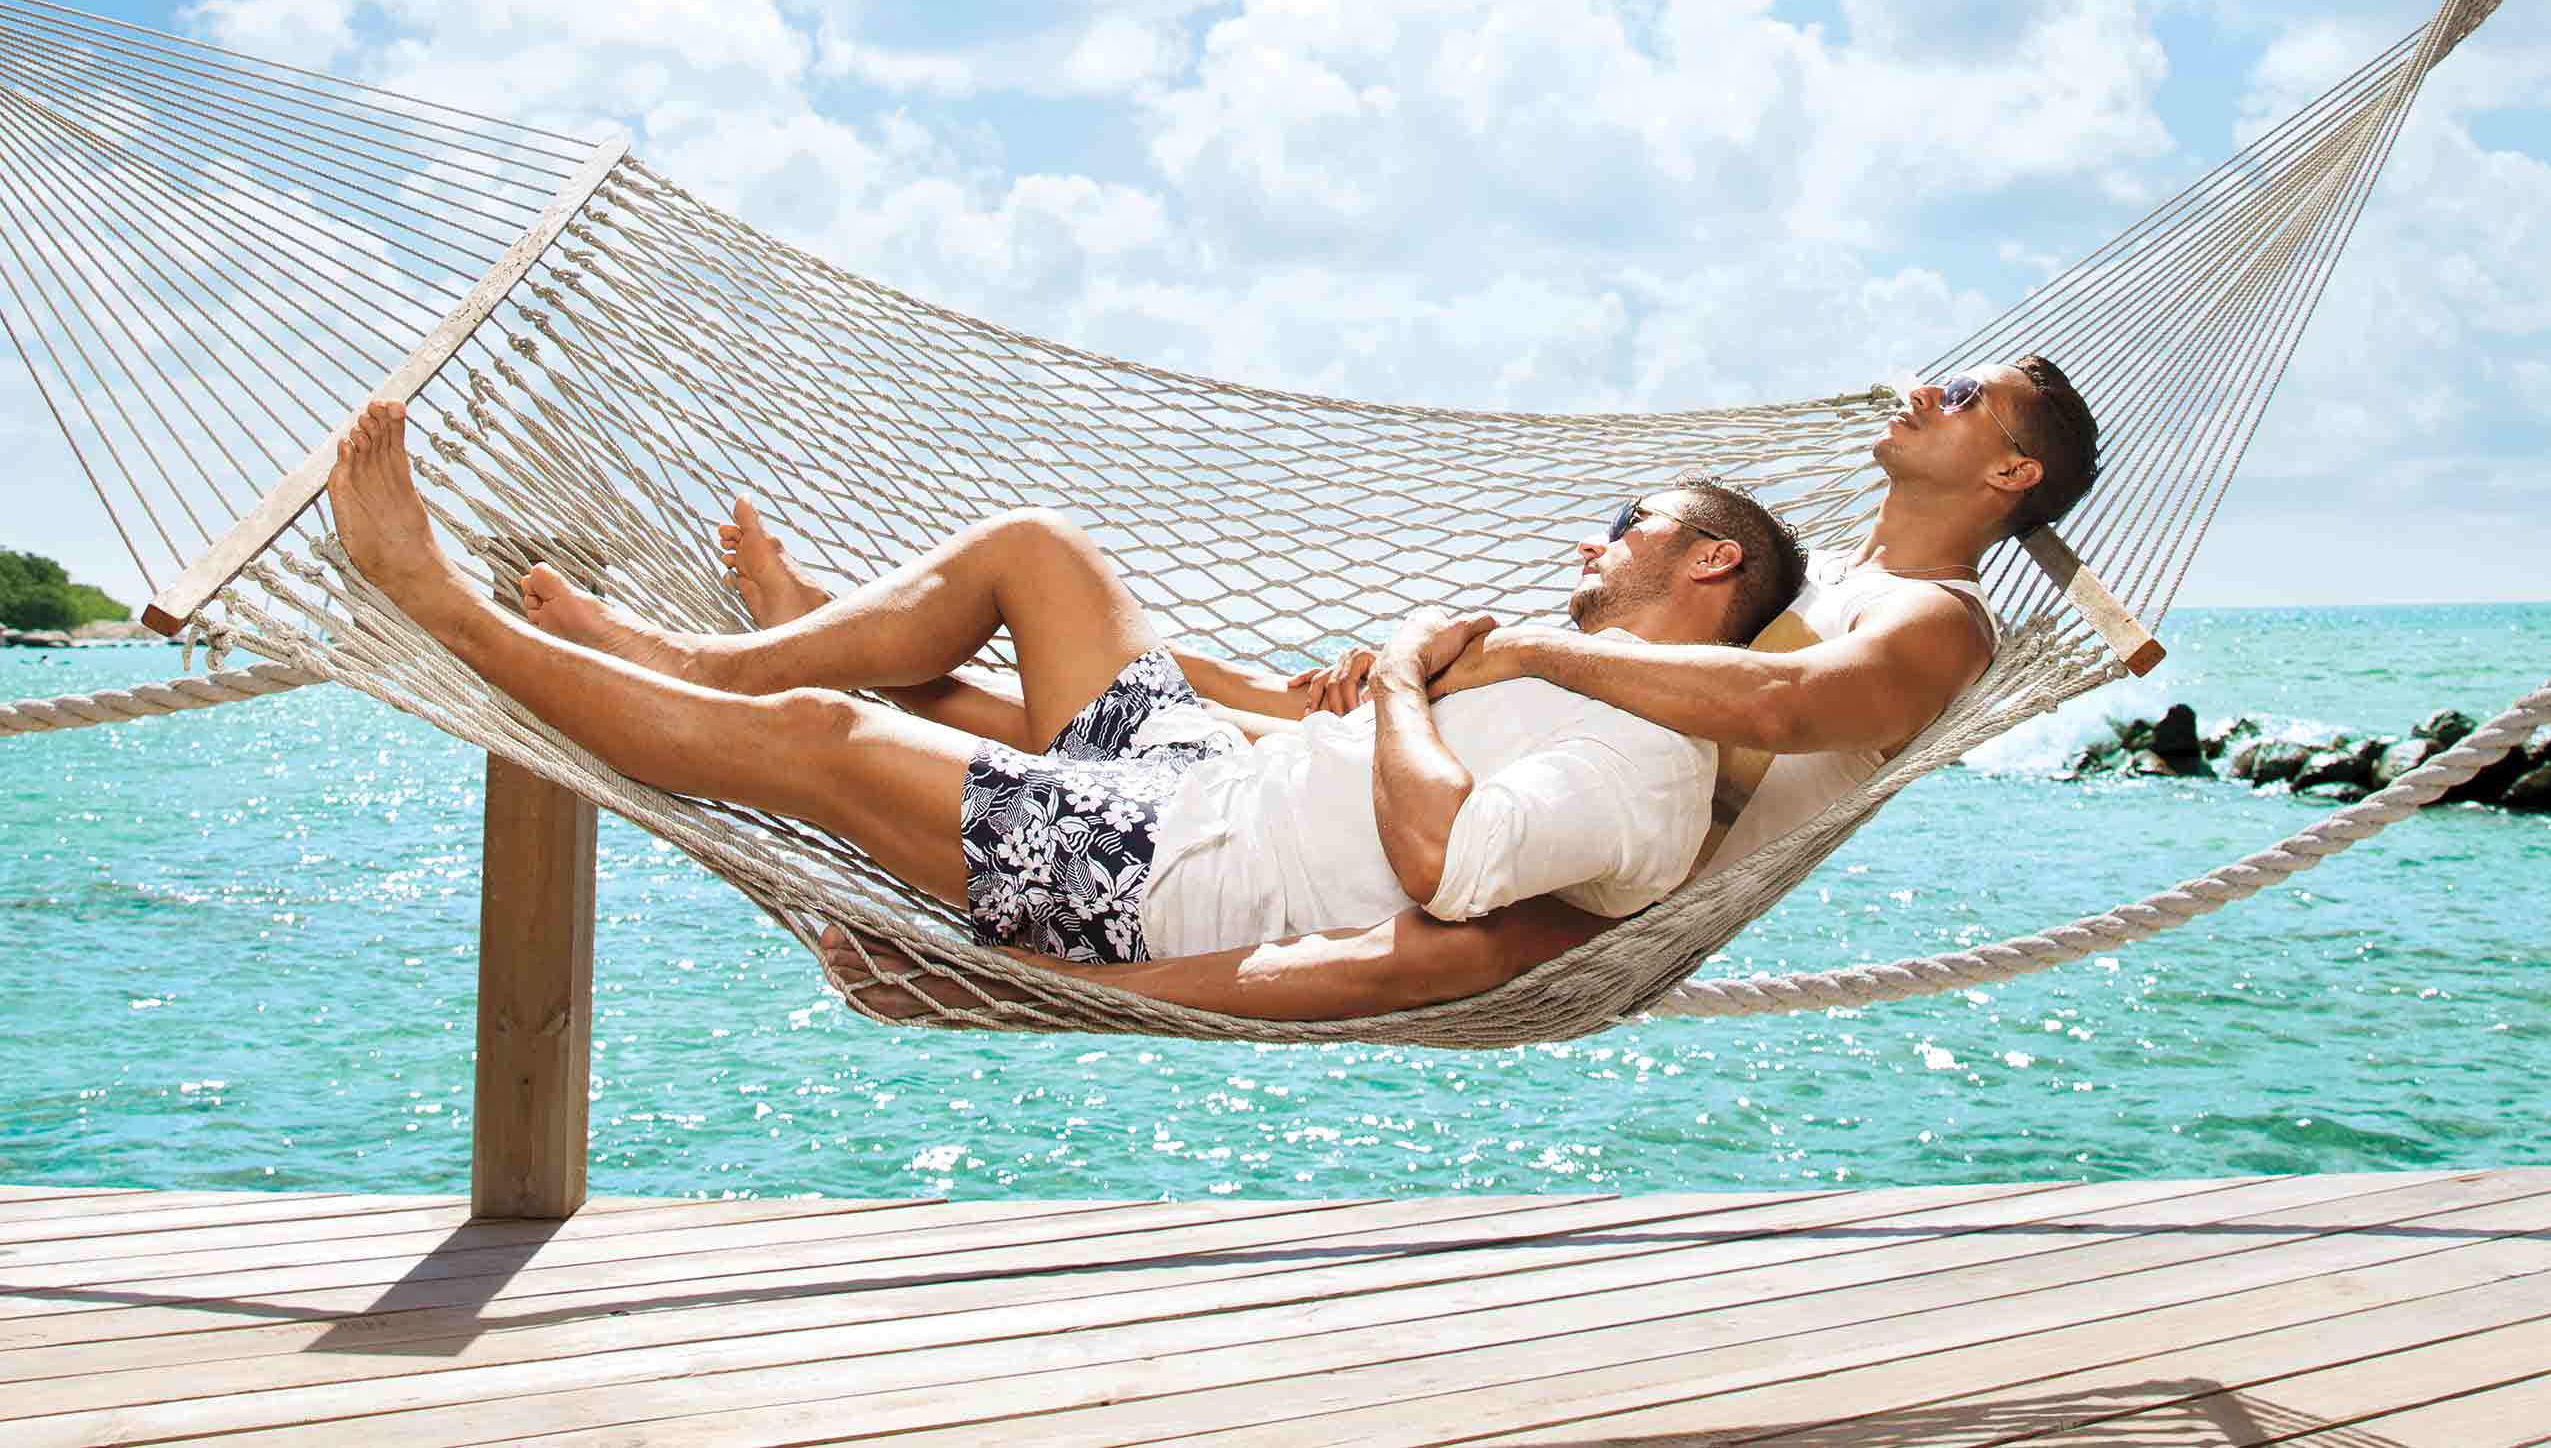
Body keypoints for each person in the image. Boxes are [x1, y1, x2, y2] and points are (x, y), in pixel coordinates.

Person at [820, 355, 2101, 1022]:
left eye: (1967, 397)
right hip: (1569, 789)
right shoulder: (1815, 579)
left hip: (1632, 889)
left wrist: (1527, 656)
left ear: (2010, 478)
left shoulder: (1936, 622)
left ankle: (1026, 996)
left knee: (1433, 947)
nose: (1928, 391)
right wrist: (1435, 684)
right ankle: (848, 651)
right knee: (1199, 723)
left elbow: (1780, 715)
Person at [320, 400, 1804, 968]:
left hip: (1168, 875)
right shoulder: (1571, 677)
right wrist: (1353, 685)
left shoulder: (1645, 774)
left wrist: (1412, 673)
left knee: (826, 740)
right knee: (1043, 551)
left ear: (1714, 564)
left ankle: (436, 600)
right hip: (1205, 773)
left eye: (1628, 522)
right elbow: (1340, 733)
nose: (1592, 538)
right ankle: (725, 647)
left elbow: (1441, 856)